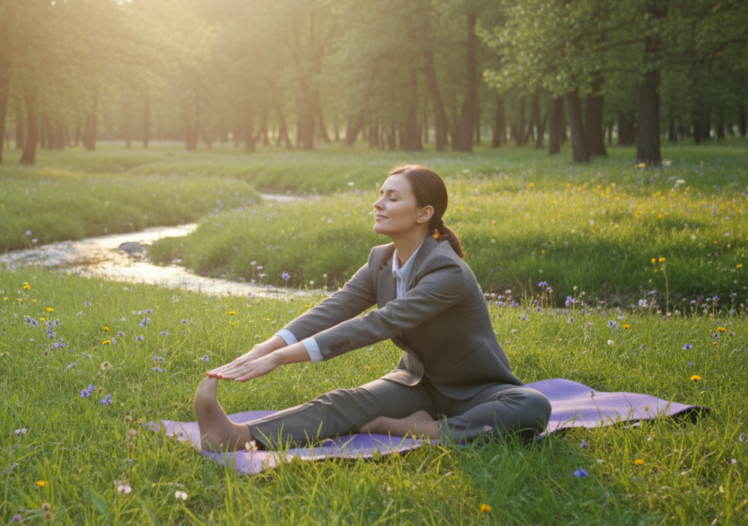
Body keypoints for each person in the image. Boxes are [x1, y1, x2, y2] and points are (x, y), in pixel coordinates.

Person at [194, 164, 552, 452]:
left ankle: (422, 430)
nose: (378, 203)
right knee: (345, 402)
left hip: (478, 391)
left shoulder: (448, 271)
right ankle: (238, 436)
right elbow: (334, 308)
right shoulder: (380, 260)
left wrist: (280, 359)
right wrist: (267, 347)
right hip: (416, 385)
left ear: (424, 212)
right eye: (380, 194)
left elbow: (378, 323)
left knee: (532, 406)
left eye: (392, 197)